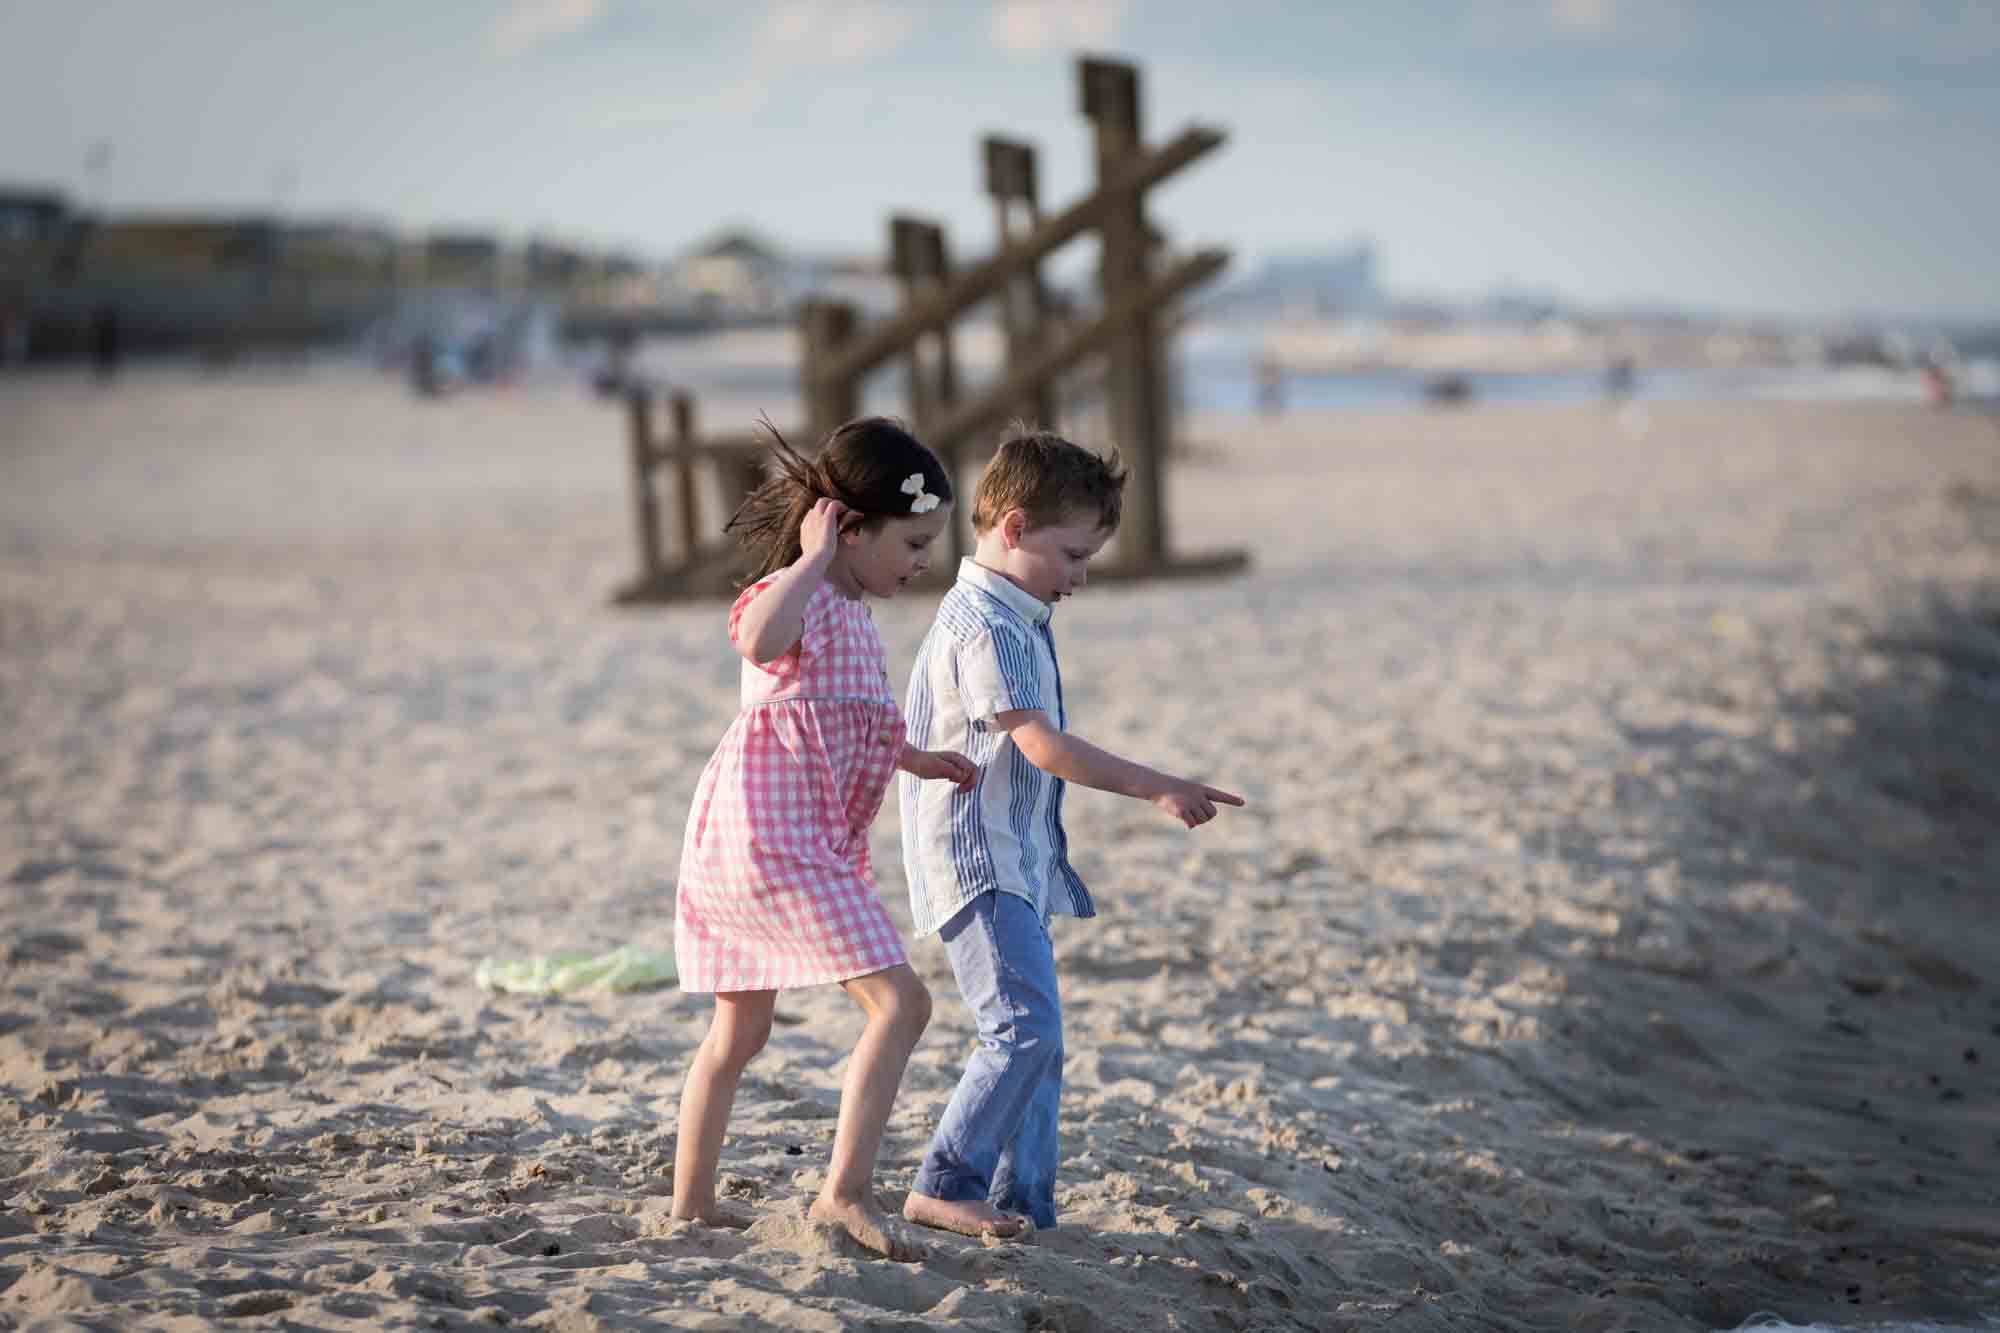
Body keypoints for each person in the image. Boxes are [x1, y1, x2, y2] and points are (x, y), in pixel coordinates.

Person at [897, 429, 1246, 1239]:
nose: (1081, 577)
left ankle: (1028, 1205)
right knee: (1022, 1029)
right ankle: (946, 1179)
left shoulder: (1015, 609)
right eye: (1073, 555)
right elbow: (1042, 745)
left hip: (1015, 857)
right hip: (977, 860)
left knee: (1040, 1043)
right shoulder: (984, 623)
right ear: (1012, 528)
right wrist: (1157, 783)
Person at [669, 416, 977, 1262]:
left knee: (738, 1036)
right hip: (774, 841)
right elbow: (757, 639)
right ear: (845, 524)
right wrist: (808, 558)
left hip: (765, 838)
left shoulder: (848, 612)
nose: (922, 562)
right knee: (902, 1003)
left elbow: (841, 721)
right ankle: (842, 1190)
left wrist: (916, 758)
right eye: (912, 542)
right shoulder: (800, 598)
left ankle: (691, 1207)